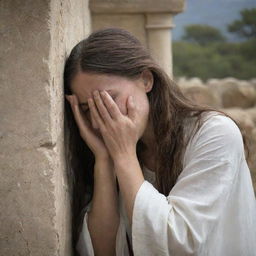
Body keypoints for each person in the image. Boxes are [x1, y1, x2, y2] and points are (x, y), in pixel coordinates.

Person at [63, 27, 256, 256]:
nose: (101, 119)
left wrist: (124, 155)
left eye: (109, 100)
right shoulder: (110, 151)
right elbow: (102, 250)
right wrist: (104, 160)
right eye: (88, 109)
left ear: (146, 80)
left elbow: (176, 242)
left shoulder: (214, 133)